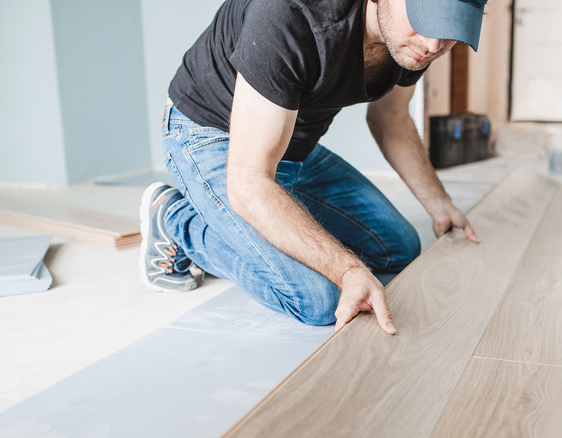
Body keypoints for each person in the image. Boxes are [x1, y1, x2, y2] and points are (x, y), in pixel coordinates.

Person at [140, 0, 487, 335]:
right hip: (212, 133)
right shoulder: (289, 12)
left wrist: (440, 204)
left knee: (399, 247)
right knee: (317, 298)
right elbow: (249, 181)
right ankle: (175, 218)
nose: (433, 44)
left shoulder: (416, 42)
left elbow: (392, 120)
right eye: (424, 18)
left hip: (288, 145)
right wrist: (347, 269)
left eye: (449, 28)